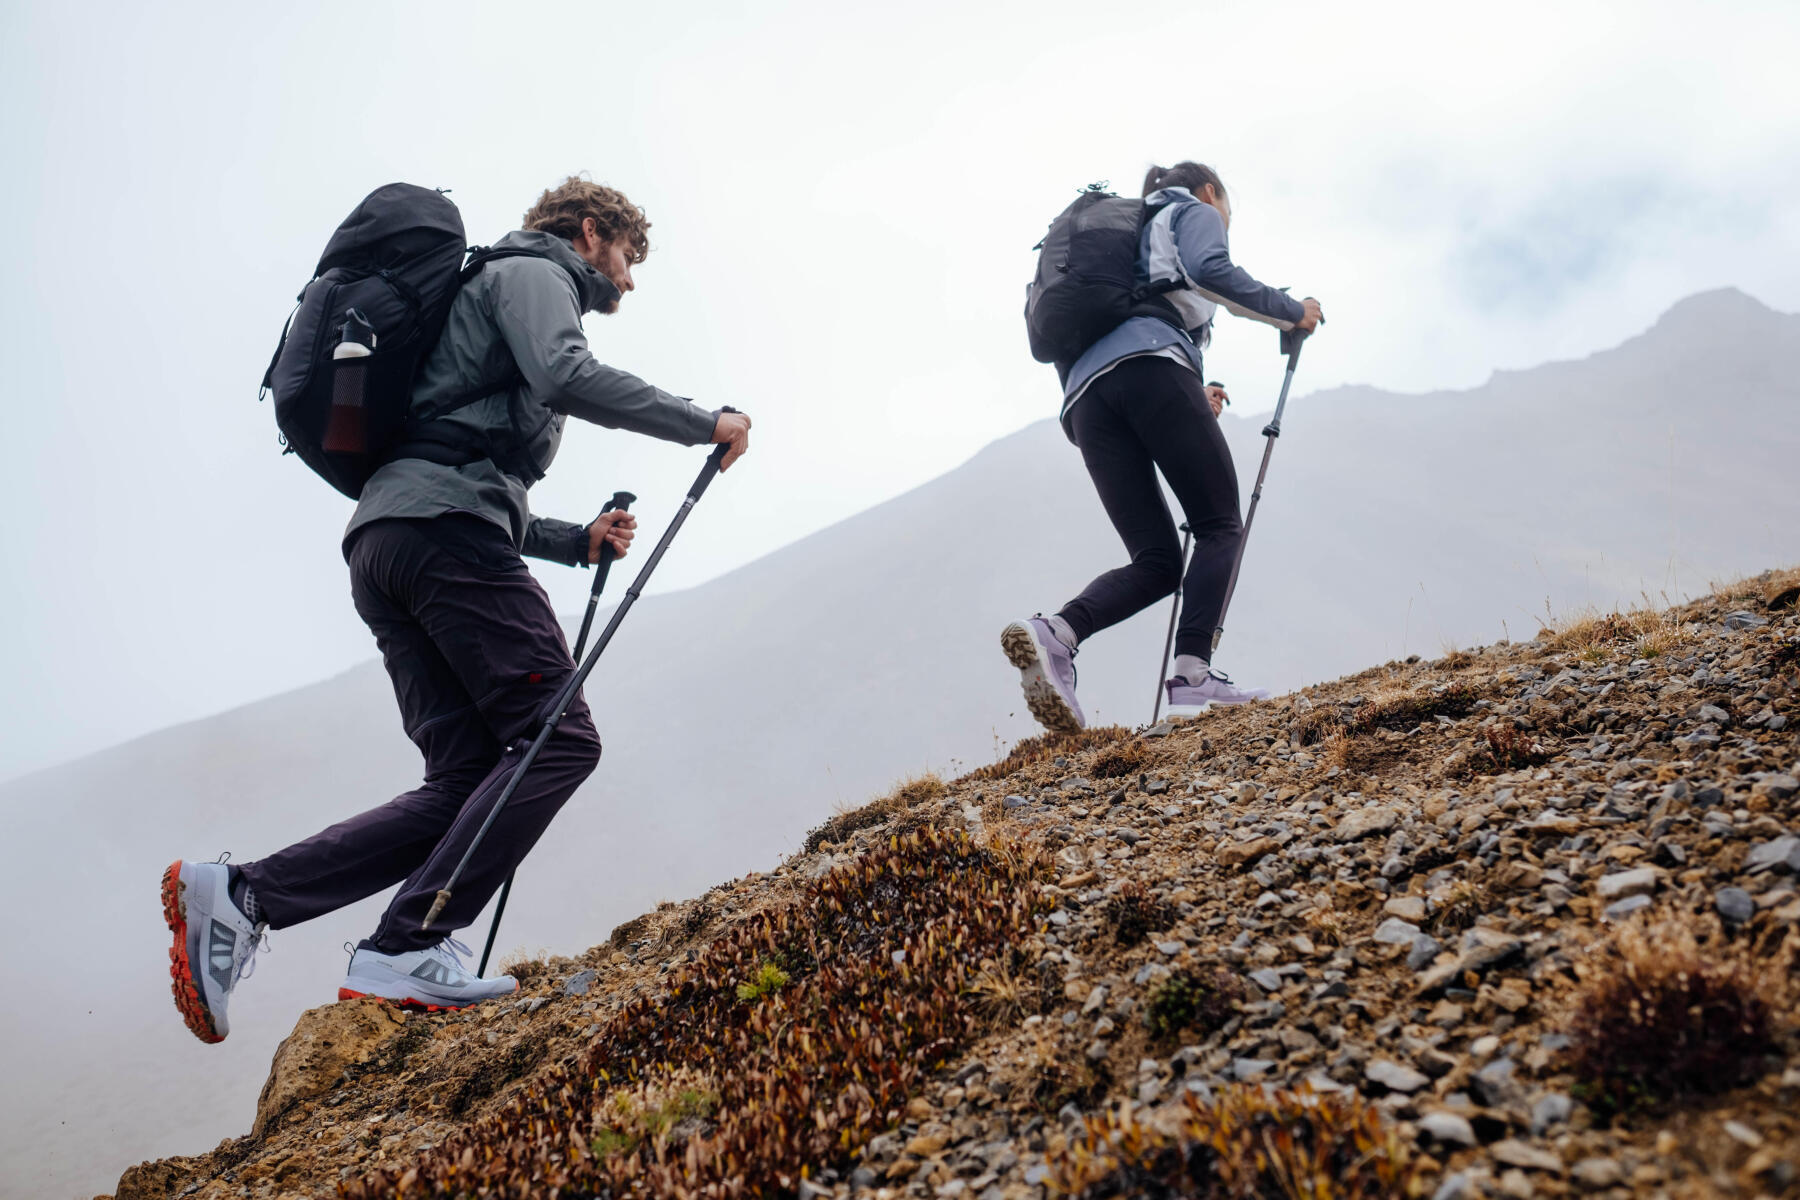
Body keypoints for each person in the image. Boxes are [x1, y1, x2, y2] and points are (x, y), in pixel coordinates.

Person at [161, 176, 752, 1042]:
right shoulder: (533, 273)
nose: (629, 280)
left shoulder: (492, 290)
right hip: (443, 537)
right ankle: (408, 944)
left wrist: (570, 538)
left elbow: (460, 447)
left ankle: (247, 895)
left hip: (393, 542)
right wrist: (703, 422)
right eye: (629, 257)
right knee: (558, 737)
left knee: (469, 779)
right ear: (592, 233)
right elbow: (565, 374)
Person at [1003, 161, 1322, 731]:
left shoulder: (1121, 246)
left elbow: (1134, 331)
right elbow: (1210, 269)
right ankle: (1194, 679)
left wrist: (1188, 395)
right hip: (1152, 369)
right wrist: (1292, 312)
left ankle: (1056, 633)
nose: (1223, 217)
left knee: (1156, 561)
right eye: (1226, 207)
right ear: (1209, 191)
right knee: (1219, 523)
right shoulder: (1189, 210)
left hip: (1086, 402)